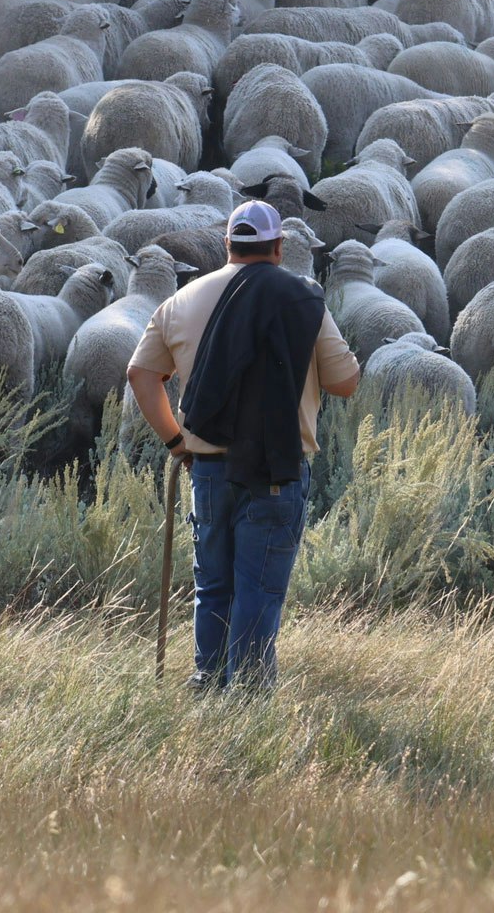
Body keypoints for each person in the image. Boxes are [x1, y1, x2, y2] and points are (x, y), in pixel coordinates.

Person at [127, 199, 359, 691]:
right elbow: (346, 382)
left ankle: (208, 685)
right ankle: (248, 703)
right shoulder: (301, 299)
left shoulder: (181, 301)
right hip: (276, 469)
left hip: (207, 468)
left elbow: (141, 375)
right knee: (258, 590)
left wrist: (176, 442)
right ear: (278, 248)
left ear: (227, 245)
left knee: (213, 586)